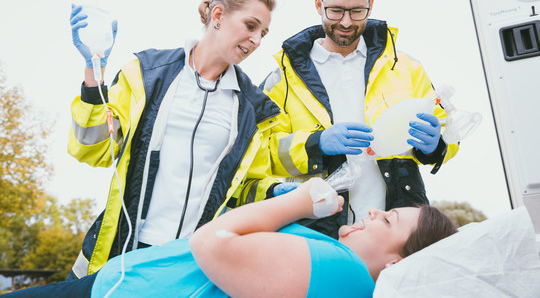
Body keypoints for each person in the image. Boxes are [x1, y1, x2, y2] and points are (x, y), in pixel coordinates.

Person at [66, 0, 284, 280]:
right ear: (218, 15)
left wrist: (276, 191)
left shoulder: (252, 108)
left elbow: (247, 185)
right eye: (251, 25)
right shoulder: (146, 73)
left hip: (190, 262)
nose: (257, 40)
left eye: (263, 33)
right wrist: (94, 72)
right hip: (121, 253)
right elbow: (94, 148)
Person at [261, 0, 460, 238]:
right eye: (335, 10)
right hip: (318, 229)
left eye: (356, 11)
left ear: (371, 5)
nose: (345, 22)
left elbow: (449, 136)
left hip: (399, 227)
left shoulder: (406, 67)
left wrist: (435, 144)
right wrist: (316, 144)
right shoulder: (283, 78)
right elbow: (263, 153)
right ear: (319, 5)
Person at [3, 178, 457, 297]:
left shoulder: (346, 275)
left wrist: (296, 203)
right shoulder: (335, 265)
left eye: (389, 220)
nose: (375, 210)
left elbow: (212, 243)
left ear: (397, 263)